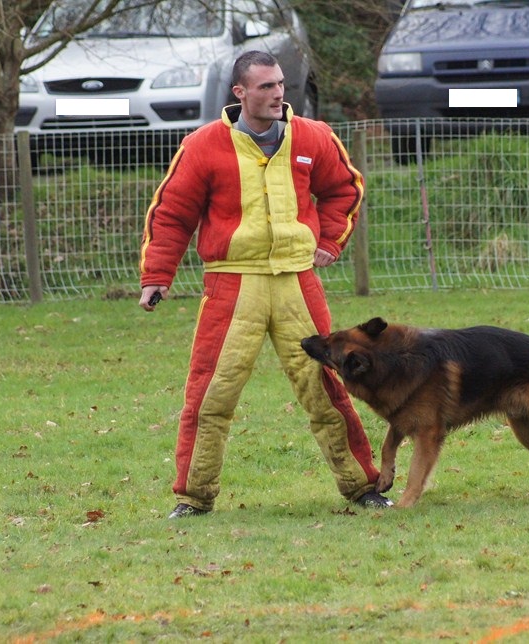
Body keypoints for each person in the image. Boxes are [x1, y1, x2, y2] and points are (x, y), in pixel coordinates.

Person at [139, 50, 391, 518]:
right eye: (266, 87)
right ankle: (193, 498)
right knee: (211, 392)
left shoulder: (314, 136)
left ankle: (363, 487)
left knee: (327, 387)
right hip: (232, 286)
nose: (278, 94)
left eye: (280, 85)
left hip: (299, 282)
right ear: (240, 93)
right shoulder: (202, 146)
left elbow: (345, 190)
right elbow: (172, 213)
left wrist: (330, 241)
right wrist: (157, 276)